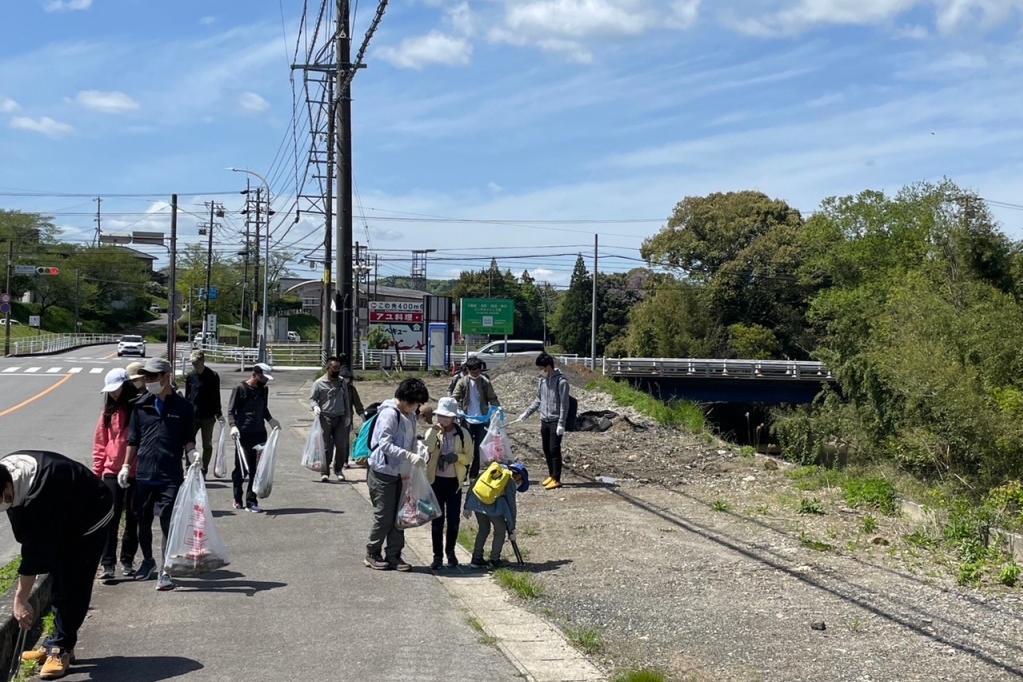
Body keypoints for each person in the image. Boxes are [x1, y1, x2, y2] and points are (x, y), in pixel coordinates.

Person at [5, 451, 113, 680]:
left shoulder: (41, 489)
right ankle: (57, 639)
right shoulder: (8, 472)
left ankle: (62, 647)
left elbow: (32, 552)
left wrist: (20, 599)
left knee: (74, 580)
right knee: (58, 573)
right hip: (63, 516)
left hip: (91, 515)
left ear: (7, 485)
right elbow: (25, 533)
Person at [119, 357, 197, 592]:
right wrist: (125, 466)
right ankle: (148, 561)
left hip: (170, 474)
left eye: (153, 377)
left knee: (167, 523)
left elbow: (188, 438)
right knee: (142, 521)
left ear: (166, 377)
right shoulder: (140, 405)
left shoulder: (183, 407)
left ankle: (166, 569)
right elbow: (133, 440)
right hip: (144, 473)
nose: (149, 381)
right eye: (147, 377)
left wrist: (193, 453)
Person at [365, 377, 430, 571]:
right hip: (382, 472)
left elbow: (408, 440)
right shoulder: (389, 414)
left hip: (401, 473)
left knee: (400, 516)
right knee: (384, 516)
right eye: (415, 402)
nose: (416, 407)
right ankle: (372, 552)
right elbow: (384, 444)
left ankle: (394, 555)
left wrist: (417, 452)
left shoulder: (409, 414)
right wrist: (408, 456)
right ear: (404, 398)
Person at [91, 368, 139, 580]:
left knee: (133, 518)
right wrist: (98, 472)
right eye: (111, 391)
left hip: (135, 472)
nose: (114, 394)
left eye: (117, 389)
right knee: (110, 519)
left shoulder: (138, 409)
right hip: (111, 472)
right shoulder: (107, 413)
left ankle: (127, 560)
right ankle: (107, 563)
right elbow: (100, 444)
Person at [423, 397, 473, 570]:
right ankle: (437, 557)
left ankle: (450, 553)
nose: (442, 420)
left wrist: (456, 457)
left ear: (454, 418)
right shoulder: (433, 431)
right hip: (436, 481)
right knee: (437, 520)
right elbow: (426, 450)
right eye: (440, 416)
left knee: (453, 520)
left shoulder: (463, 434)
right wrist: (434, 432)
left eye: (446, 416)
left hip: (454, 482)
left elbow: (469, 458)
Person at [228, 362, 280, 512]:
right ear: (255, 374)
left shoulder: (264, 390)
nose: (265, 381)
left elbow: (264, 408)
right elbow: (231, 411)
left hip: (259, 433)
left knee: (256, 469)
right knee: (241, 468)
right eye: (263, 378)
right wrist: (233, 426)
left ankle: (251, 500)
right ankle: (237, 497)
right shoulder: (240, 388)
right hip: (242, 434)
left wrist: (271, 420)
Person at [515, 353, 570, 490]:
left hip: (555, 420)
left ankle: (557, 478)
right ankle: (551, 475)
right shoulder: (542, 381)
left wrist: (561, 423)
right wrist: (526, 414)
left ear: (548, 366)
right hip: (544, 419)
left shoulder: (561, 381)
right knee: (546, 449)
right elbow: (538, 400)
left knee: (554, 449)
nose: (540, 370)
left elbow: (564, 404)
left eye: (541, 367)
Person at [308, 356, 364, 482]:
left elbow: (346, 400)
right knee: (326, 446)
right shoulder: (318, 383)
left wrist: (348, 416)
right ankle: (325, 471)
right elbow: (312, 399)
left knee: (341, 445)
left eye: (338, 368)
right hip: (325, 418)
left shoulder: (342, 383)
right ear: (328, 368)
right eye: (334, 368)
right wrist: (315, 406)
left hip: (340, 417)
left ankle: (338, 469)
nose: (336, 371)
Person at [465, 461, 529, 569]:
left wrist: (467, 505)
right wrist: (512, 528)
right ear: (518, 476)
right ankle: (494, 560)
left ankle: (476, 559)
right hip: (491, 506)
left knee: (483, 529)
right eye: (521, 481)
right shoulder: (510, 481)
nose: (520, 483)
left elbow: (475, 483)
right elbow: (511, 507)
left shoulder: (494, 469)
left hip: (477, 501)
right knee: (500, 530)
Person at [452, 357, 501, 480]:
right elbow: (454, 397)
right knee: (466, 448)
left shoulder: (485, 382)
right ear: (468, 370)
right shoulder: (462, 382)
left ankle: (473, 474)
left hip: (482, 420)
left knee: (479, 448)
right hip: (467, 420)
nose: (475, 373)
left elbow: (492, 398)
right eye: (472, 371)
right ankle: (463, 473)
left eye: (477, 371)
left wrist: (497, 410)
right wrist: (456, 410)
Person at [184, 350, 224, 477]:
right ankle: (189, 468)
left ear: (202, 361)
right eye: (193, 363)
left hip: (208, 416)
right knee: (189, 442)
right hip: (192, 415)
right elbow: (187, 396)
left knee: (207, 444)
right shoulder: (190, 376)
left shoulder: (213, 375)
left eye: (196, 362)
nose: (194, 365)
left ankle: (204, 469)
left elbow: (216, 396)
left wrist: (219, 413)